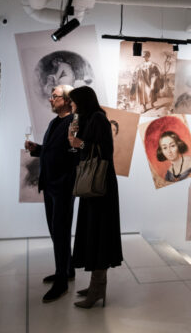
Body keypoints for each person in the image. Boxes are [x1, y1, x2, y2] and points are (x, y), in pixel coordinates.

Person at [67, 86, 123, 308]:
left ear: (83, 101)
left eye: (73, 101)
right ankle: (95, 285)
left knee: (99, 234)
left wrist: (80, 143)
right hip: (93, 185)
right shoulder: (88, 119)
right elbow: (82, 150)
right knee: (93, 232)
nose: (71, 105)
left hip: (100, 185)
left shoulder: (99, 118)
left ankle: (98, 288)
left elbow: (105, 151)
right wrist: (76, 138)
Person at [24, 85, 77, 303]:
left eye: (55, 96)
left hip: (63, 187)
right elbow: (54, 150)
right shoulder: (55, 122)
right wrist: (37, 149)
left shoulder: (74, 123)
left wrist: (67, 182)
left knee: (60, 232)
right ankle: (67, 269)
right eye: (51, 96)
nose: (50, 99)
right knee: (56, 231)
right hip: (50, 185)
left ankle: (62, 281)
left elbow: (75, 154)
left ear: (67, 100)